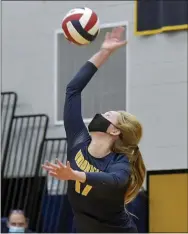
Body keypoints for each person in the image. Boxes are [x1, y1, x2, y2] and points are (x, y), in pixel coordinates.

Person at [42, 27, 146, 233]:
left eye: (108, 116)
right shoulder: (78, 139)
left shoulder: (120, 162)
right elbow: (73, 90)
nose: (101, 115)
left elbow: (114, 181)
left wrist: (75, 175)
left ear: (115, 131)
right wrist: (104, 52)